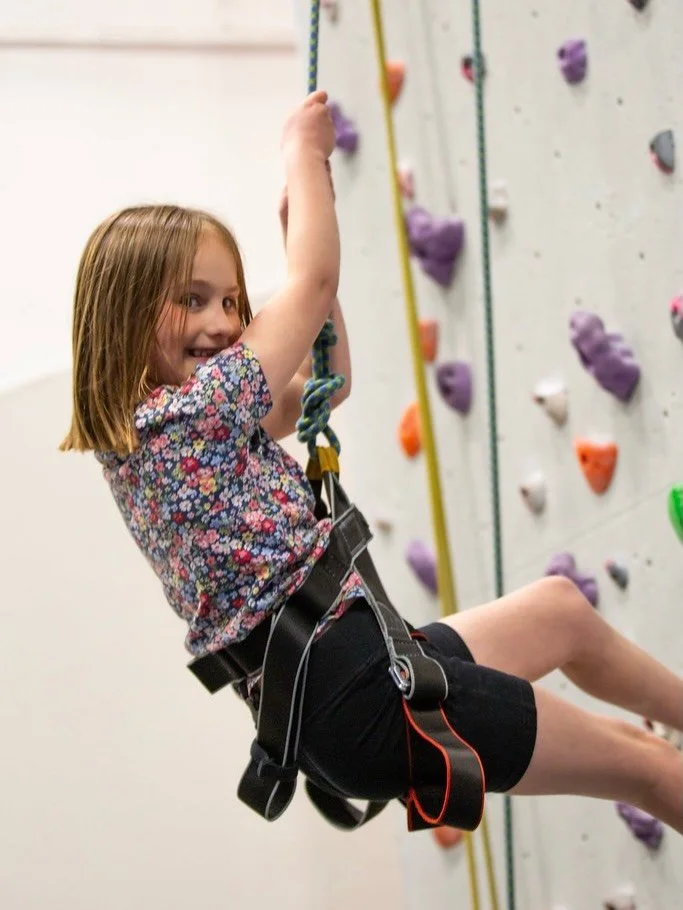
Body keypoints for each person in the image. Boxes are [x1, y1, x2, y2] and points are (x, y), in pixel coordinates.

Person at [60, 89, 683, 835]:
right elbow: (310, 283)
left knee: (559, 612)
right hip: (351, 690)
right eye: (193, 301)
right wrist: (304, 151)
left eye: (232, 300)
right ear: (125, 313)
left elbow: (324, 385)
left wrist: (304, 242)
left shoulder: (172, 431)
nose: (225, 322)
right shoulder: (190, 418)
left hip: (358, 665)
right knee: (647, 766)